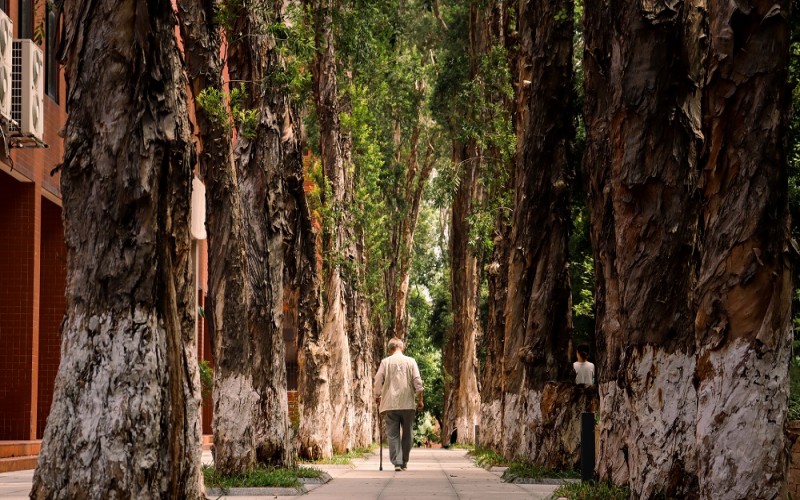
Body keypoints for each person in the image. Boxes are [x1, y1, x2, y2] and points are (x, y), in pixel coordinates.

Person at [373, 337, 424, 472]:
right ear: (402, 348)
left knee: (393, 434)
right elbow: (417, 381)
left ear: (390, 349)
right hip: (407, 404)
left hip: (390, 404)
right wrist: (420, 399)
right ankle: (404, 461)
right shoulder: (411, 361)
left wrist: (377, 395)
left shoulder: (386, 362)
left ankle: (397, 462)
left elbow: (378, 380)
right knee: (407, 433)